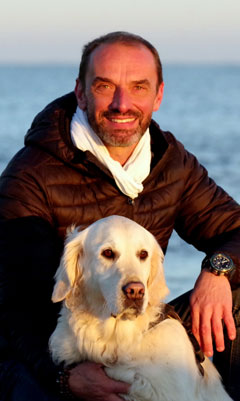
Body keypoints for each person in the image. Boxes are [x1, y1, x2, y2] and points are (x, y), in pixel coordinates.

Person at [0, 31, 240, 401]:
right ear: (81, 93)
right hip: (55, 346)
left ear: (158, 95)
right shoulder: (30, 178)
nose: (122, 104)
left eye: (139, 87)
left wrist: (218, 269)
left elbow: (235, 230)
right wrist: (65, 379)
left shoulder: (170, 162)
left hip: (142, 329)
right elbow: (14, 313)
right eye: (105, 86)